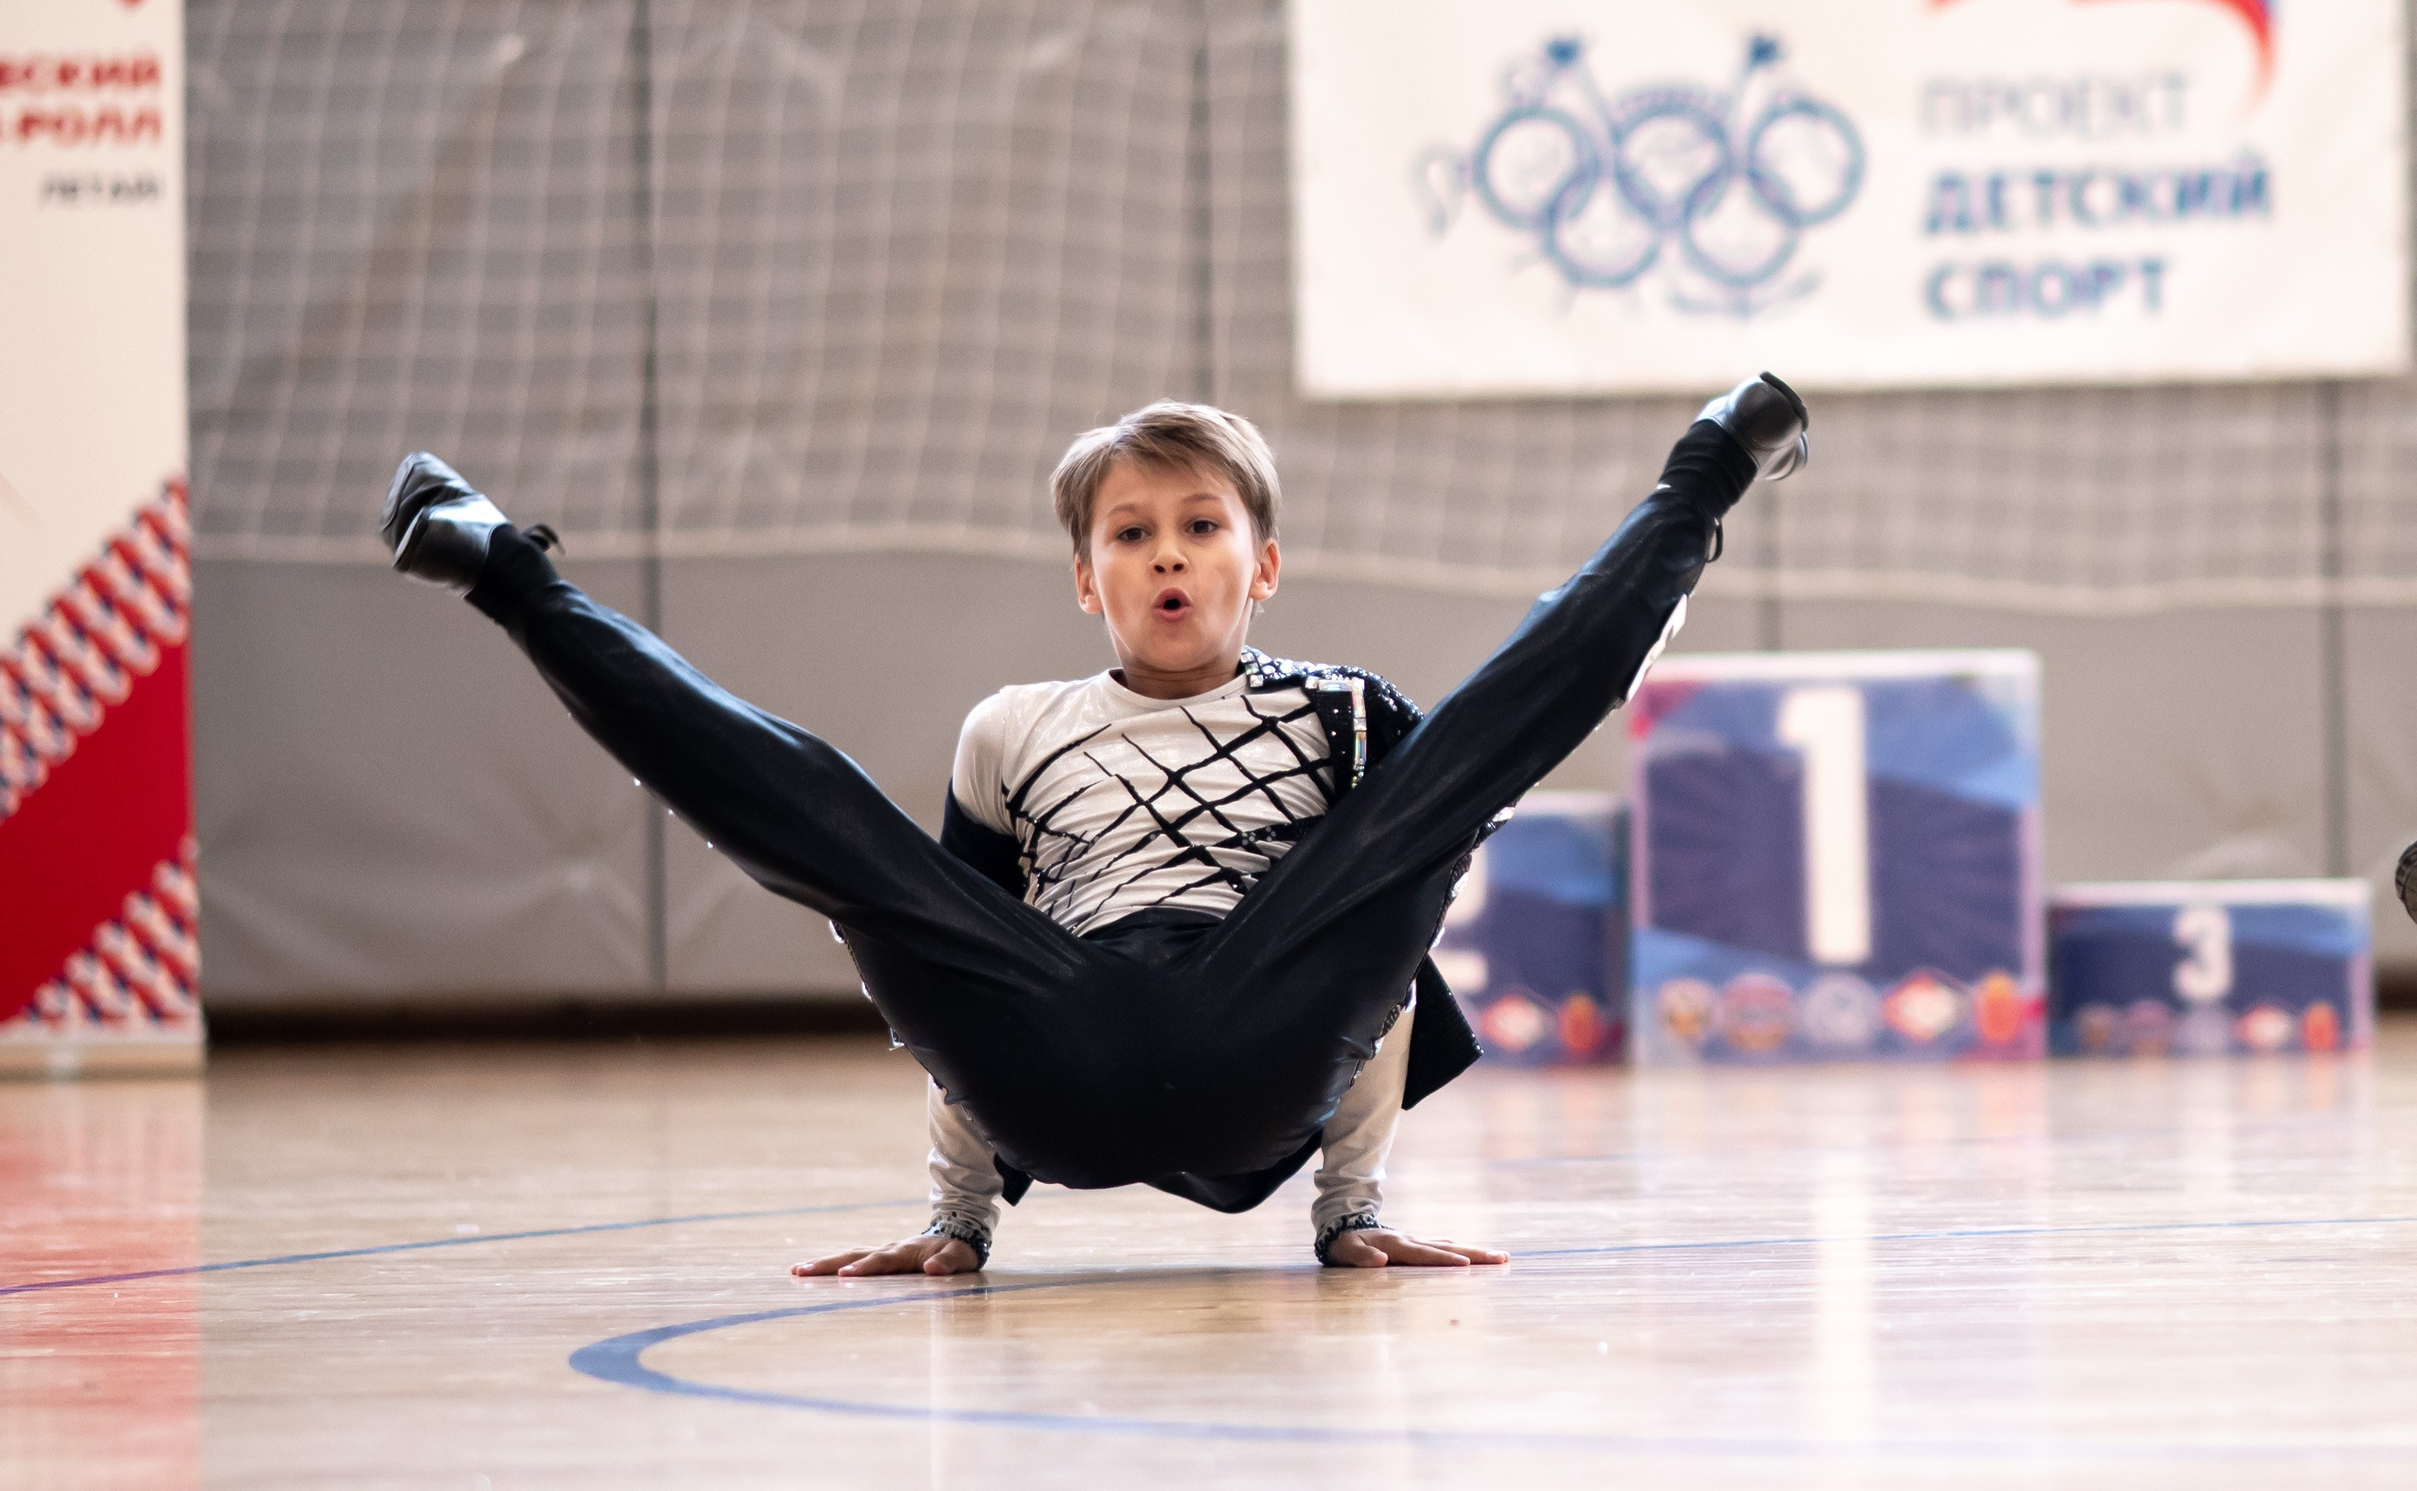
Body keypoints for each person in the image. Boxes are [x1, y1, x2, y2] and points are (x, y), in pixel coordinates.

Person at [380, 375, 1809, 1273]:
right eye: (1131, 532)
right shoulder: (1011, 728)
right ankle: (510, 573)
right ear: (1087, 578)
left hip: (1259, 1034)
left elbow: (1375, 970)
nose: (1168, 551)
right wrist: (957, 1219)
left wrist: (1350, 1207)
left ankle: (1699, 480)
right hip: (1051, 1051)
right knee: (841, 838)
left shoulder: (1345, 711)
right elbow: (947, 964)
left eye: (1200, 524)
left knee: (1444, 789)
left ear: (1265, 565)